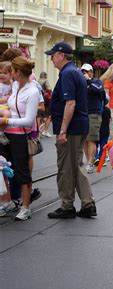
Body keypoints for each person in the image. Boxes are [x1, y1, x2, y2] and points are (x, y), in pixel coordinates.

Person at [44, 42, 96, 219]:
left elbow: (70, 103)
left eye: (53, 55)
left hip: (71, 127)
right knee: (75, 165)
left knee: (66, 166)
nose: (51, 59)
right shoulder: (75, 72)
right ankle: (87, 203)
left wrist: (63, 130)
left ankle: (67, 205)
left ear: (61, 55)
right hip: (79, 124)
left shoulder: (67, 74)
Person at [0, 56, 40, 220]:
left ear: (18, 72)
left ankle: (25, 207)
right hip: (6, 134)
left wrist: (7, 120)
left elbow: (29, 120)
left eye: (12, 71)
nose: (10, 74)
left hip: (20, 135)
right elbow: (9, 104)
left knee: (22, 171)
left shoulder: (32, 91)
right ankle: (7, 201)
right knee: (2, 168)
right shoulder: (16, 86)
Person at [81, 63, 105, 174]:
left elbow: (98, 90)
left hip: (93, 114)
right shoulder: (81, 83)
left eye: (86, 71)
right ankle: (88, 161)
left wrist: (88, 81)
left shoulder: (96, 82)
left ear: (91, 72)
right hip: (83, 113)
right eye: (82, 72)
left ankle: (91, 162)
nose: (84, 74)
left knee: (91, 139)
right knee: (85, 140)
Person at [0, 61, 13, 145]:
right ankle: (1, 132)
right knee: (7, 114)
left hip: (9, 105)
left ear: (11, 74)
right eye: (0, 73)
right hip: (2, 106)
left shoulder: (13, 84)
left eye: (5, 73)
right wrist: (5, 99)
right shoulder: (0, 86)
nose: (2, 75)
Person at [38, 71, 52, 138]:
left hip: (38, 101)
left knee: (39, 117)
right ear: (45, 76)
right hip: (46, 101)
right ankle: (45, 131)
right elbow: (49, 89)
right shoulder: (45, 81)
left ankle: (38, 132)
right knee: (49, 116)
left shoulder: (37, 82)